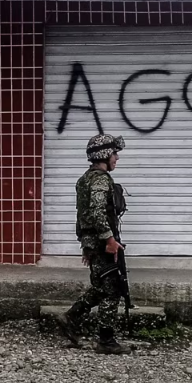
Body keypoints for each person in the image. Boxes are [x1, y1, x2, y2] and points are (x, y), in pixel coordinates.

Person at [55, 134, 134, 355]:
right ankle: (106, 341)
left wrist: (86, 245)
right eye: (114, 154)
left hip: (93, 241)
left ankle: (70, 317)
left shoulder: (85, 179)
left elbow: (83, 214)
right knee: (112, 289)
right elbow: (98, 212)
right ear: (104, 155)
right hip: (102, 242)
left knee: (101, 286)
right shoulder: (100, 180)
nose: (116, 158)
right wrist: (109, 239)